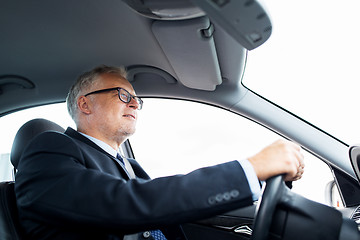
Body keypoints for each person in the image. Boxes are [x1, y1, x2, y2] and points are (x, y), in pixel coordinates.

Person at [14, 65, 304, 240]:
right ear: (85, 105)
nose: (135, 104)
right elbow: (125, 203)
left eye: (137, 99)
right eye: (122, 95)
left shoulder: (130, 166)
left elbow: (161, 203)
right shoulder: (48, 149)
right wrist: (249, 170)